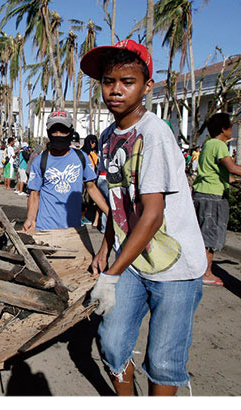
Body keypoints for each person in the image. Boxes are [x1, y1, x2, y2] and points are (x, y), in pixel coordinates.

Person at [81, 39, 207, 396]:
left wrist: (110, 274)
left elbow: (152, 216)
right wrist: (106, 247)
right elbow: (117, 202)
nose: (116, 90)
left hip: (175, 267)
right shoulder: (108, 137)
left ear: (147, 86)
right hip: (131, 260)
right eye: (108, 82)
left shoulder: (155, 134)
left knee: (164, 360)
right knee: (112, 343)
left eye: (128, 81)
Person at [24, 111, 108, 232]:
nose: (58, 134)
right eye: (54, 131)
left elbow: (91, 187)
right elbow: (34, 194)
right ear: (48, 132)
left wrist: (109, 213)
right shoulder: (40, 161)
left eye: (63, 131)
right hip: (45, 228)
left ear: (70, 132)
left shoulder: (81, 158)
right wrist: (30, 219)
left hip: (73, 229)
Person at [192, 113, 241, 287]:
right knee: (209, 236)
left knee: (202, 234)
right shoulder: (219, 145)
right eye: (230, 126)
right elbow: (232, 167)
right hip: (212, 196)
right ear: (223, 129)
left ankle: (200, 270)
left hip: (202, 192)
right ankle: (206, 273)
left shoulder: (207, 144)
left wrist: (233, 180)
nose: (231, 129)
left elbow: (218, 172)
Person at [81, 134, 100, 226]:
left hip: (94, 179)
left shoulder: (96, 153)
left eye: (95, 142)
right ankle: (82, 217)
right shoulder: (83, 153)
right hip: (84, 179)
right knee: (83, 200)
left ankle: (86, 217)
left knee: (90, 200)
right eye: (92, 142)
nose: (94, 144)